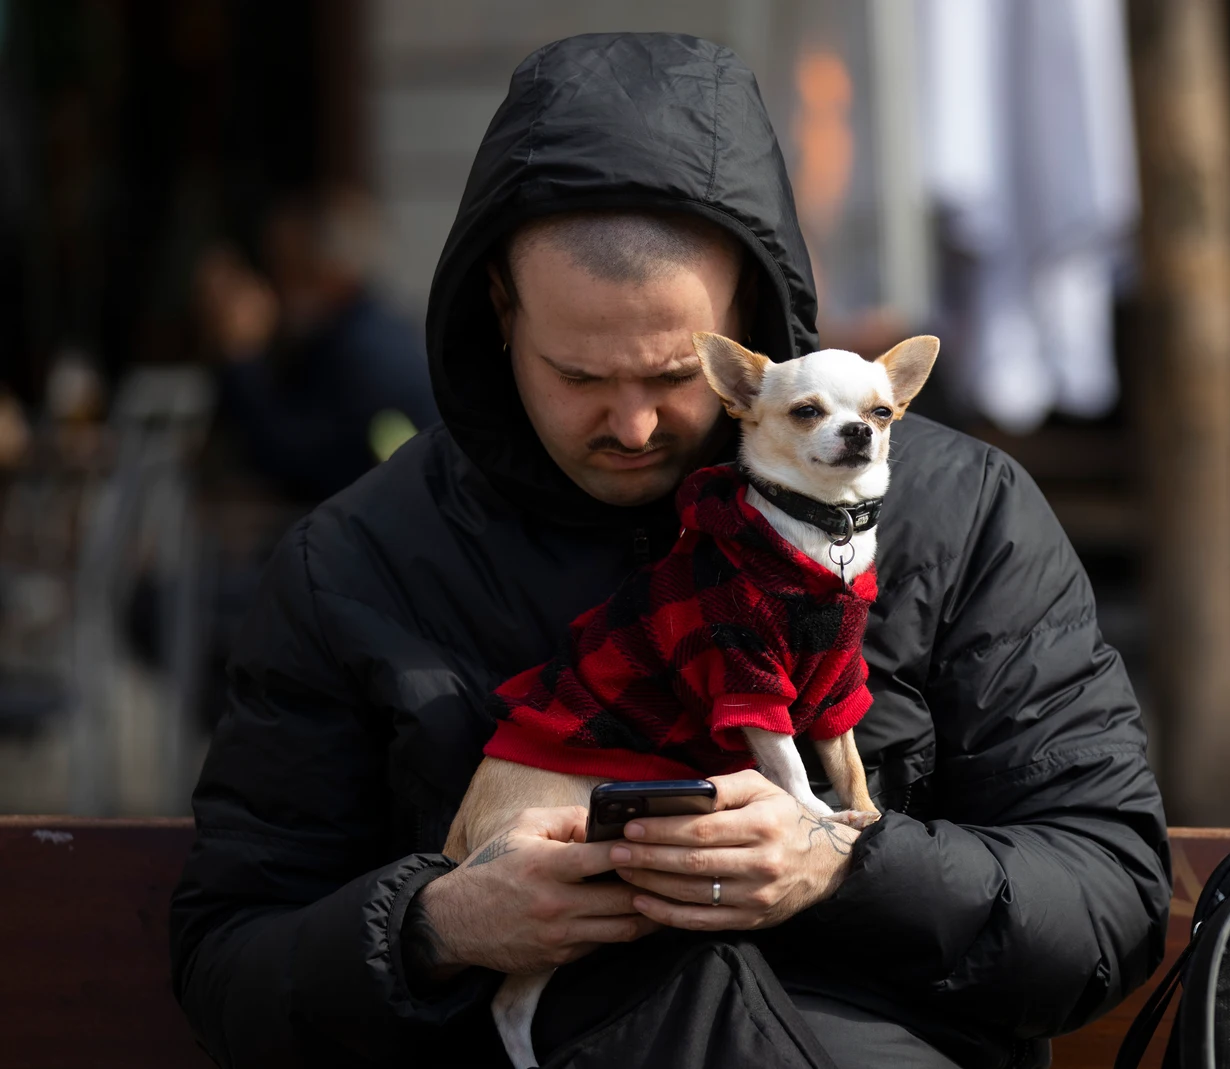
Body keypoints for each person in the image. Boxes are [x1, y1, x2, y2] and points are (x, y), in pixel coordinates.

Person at [170, 32, 1169, 1069]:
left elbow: (1107, 894)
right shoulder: (356, 559)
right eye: (579, 376)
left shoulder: (962, 515)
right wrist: (441, 926)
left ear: (744, 330)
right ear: (501, 314)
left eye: (669, 376)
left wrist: (844, 866)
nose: (633, 425)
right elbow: (231, 962)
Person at [195, 187, 440, 502]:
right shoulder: (353, 330)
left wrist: (243, 354)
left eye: (286, 267)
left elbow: (292, 462)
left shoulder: (364, 351)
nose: (274, 287)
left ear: (329, 272)